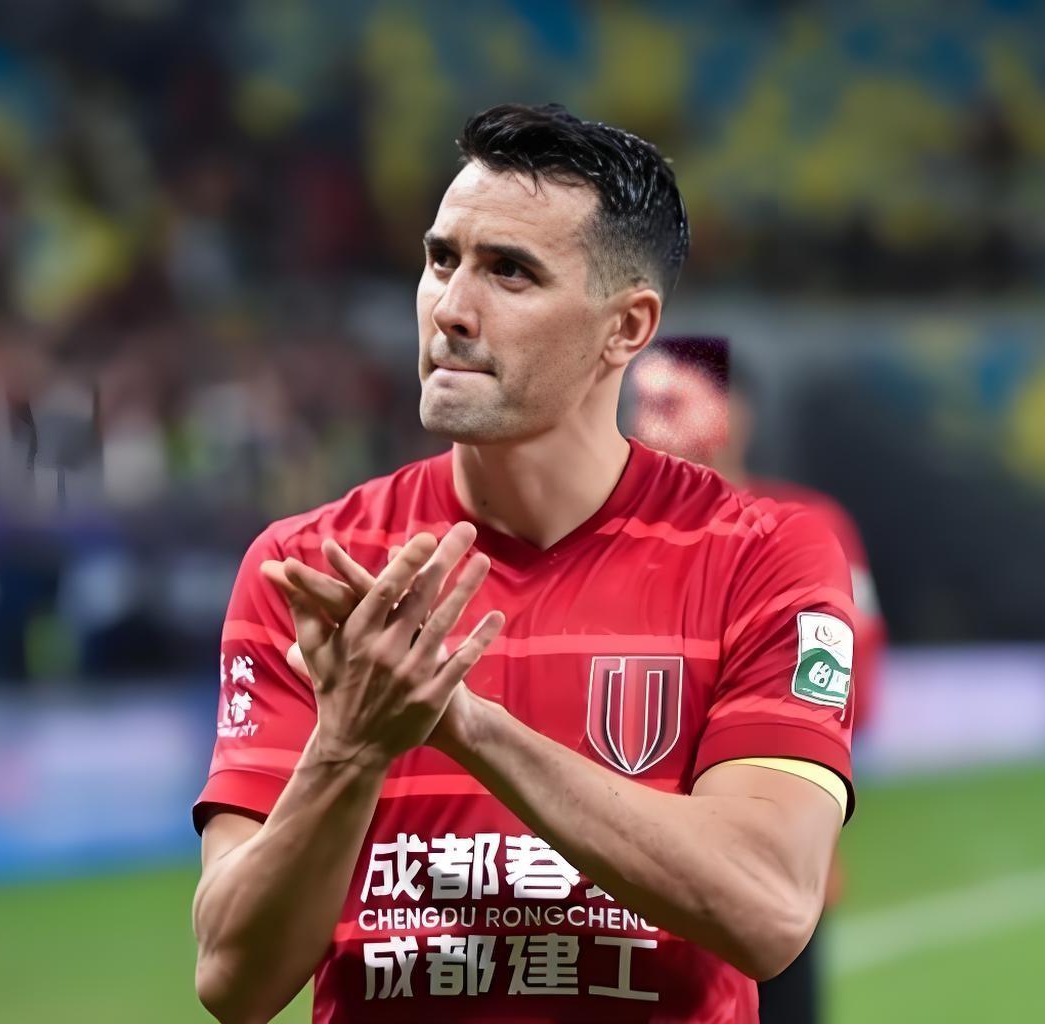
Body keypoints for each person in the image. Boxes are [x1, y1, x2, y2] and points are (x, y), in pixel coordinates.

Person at [191, 104, 858, 1023]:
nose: (451, 310)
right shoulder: (311, 567)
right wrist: (347, 747)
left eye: (510, 271)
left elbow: (769, 906)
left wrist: (465, 724)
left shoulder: (762, 555)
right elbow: (233, 981)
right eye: (441, 260)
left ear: (626, 328)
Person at [629, 335, 887, 1024]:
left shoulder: (808, 529)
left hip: (766, 864)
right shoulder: (615, 538)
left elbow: (854, 684)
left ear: (734, 414)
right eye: (644, 404)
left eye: (673, 403)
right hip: (631, 874)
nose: (650, 422)